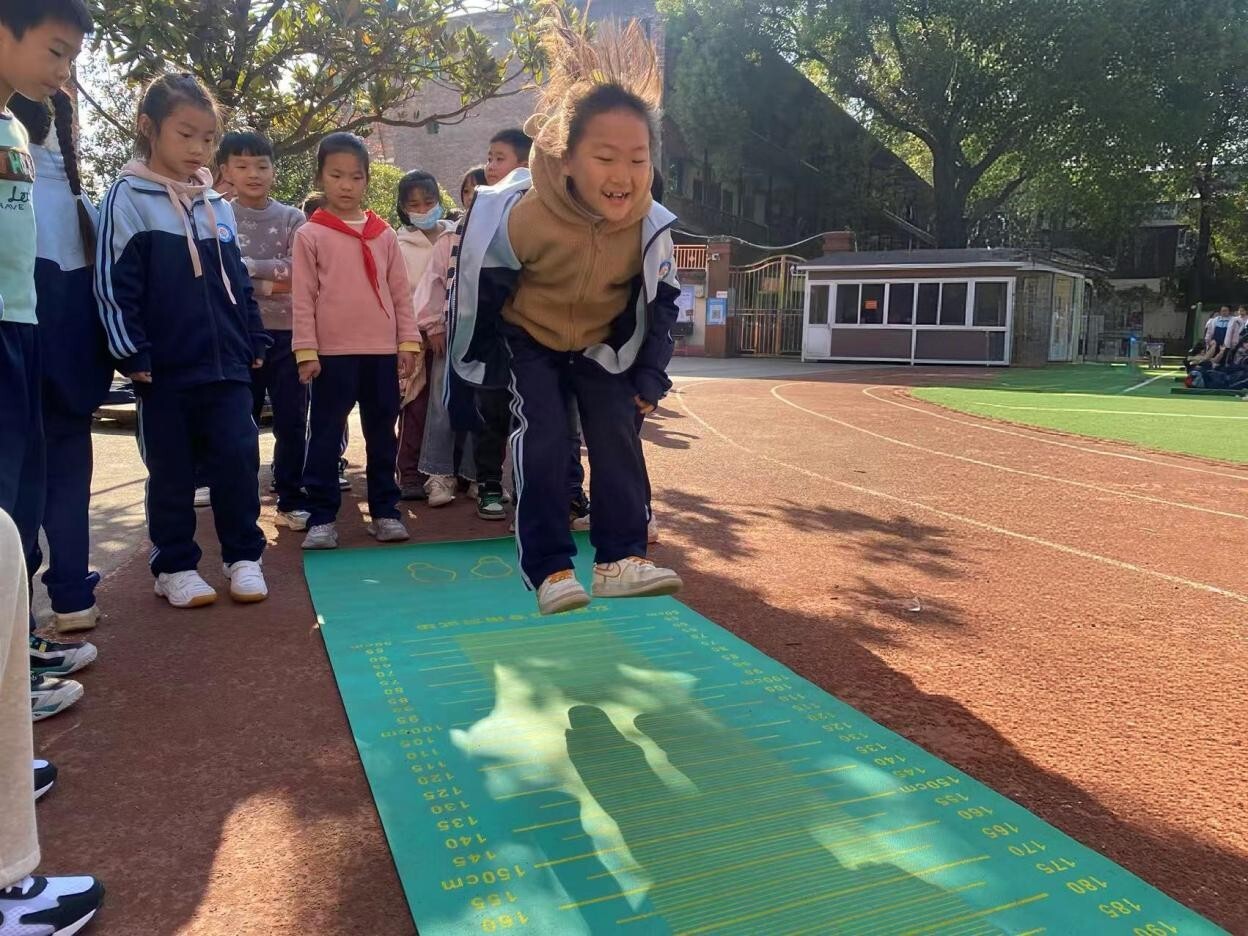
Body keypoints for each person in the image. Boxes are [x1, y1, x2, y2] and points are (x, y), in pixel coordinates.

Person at [448, 14, 682, 614]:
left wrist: (650, 375)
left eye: (638, 159)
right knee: (547, 438)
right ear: (567, 157)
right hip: (531, 339)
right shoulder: (520, 214)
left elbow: (663, 302)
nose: (623, 176)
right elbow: (476, 293)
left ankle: (620, 560)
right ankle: (550, 568)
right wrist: (478, 377)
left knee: (617, 433)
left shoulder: (652, 227)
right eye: (605, 157)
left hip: (603, 343)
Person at [96, 74, 271, 608]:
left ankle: (243, 557)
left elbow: (237, 280)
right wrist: (131, 350)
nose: (198, 148)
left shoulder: (216, 202)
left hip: (228, 364)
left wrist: (254, 336)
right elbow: (113, 282)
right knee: (171, 471)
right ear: (149, 128)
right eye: (186, 134)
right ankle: (174, 566)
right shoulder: (127, 196)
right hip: (165, 368)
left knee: (238, 460)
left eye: (209, 138)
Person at [293, 132, 420, 550]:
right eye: (336, 175)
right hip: (332, 354)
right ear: (320, 177)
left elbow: (400, 293)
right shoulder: (310, 235)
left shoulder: (383, 235)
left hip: (381, 352)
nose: (346, 185)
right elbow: (303, 296)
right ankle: (322, 517)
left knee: (382, 434)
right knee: (326, 435)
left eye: (356, 176)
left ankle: (386, 512)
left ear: (366, 179)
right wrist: (306, 350)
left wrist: (407, 343)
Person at [216, 130, 310, 531]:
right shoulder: (216, 214)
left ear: (274, 170)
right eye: (242, 165)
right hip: (238, 335)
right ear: (225, 171)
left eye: (261, 165)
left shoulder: (292, 218)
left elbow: (300, 272)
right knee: (241, 423)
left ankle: (291, 497)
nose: (253, 173)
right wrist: (272, 277)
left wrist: (246, 268)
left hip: (289, 333)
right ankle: (242, 503)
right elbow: (217, 273)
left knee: (292, 420)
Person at [394, 170, 456, 502]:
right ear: (403, 208)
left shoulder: (454, 235)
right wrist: (414, 335)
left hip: (454, 335)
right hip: (416, 338)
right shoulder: (398, 244)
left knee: (449, 405)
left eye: (429, 202)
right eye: (414, 205)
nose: (423, 209)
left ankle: (447, 472)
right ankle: (410, 474)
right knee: (415, 405)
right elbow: (400, 296)